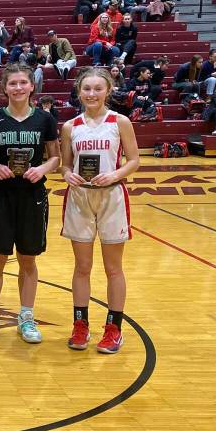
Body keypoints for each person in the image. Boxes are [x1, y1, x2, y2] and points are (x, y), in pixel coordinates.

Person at [59, 66, 141, 354]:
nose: (91, 94)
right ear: (79, 91)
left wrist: (116, 175)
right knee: (82, 267)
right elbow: (65, 164)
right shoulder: (71, 126)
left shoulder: (120, 122)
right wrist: (67, 174)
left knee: (112, 268)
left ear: (108, 90)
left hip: (112, 197)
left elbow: (134, 160)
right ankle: (80, 325)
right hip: (80, 198)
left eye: (97, 88)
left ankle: (113, 328)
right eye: (86, 89)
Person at [0, 64, 60, 346]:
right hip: (0, 195)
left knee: (28, 259)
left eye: (23, 82)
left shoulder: (45, 119)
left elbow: (55, 157)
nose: (18, 88)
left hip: (33, 195)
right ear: (4, 88)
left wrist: (44, 169)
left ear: (32, 86)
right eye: (12, 83)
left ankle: (26, 316)